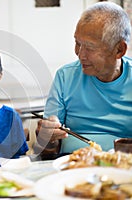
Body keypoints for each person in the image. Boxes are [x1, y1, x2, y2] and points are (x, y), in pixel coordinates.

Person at [35, 2, 132, 155]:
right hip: (71, 164)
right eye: (77, 43)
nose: (80, 55)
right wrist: (47, 139)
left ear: (119, 50)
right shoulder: (65, 77)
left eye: (90, 48)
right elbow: (46, 152)